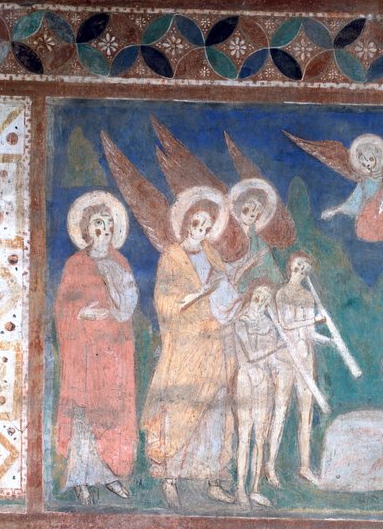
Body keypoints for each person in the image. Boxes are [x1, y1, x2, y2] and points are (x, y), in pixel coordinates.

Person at [140, 187, 242, 510]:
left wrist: (224, 295)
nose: (202, 230)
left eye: (207, 225)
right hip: (184, 343)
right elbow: (164, 301)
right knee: (181, 406)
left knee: (215, 408)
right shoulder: (172, 256)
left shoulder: (211, 254)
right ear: (185, 223)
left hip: (213, 340)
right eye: (197, 223)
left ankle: (213, 478)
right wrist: (195, 297)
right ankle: (171, 477)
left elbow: (225, 290)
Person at [55, 193, 139, 506]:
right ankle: (80, 479)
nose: (102, 229)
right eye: (96, 224)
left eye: (106, 223)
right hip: (83, 354)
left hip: (113, 353)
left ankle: (109, 475)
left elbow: (127, 306)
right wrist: (81, 314)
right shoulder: (75, 265)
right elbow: (62, 307)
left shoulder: (120, 262)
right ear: (87, 230)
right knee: (82, 415)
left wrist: (113, 313)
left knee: (111, 414)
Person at [269, 254, 329, 486]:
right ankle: (270, 465)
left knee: (306, 413)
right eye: (298, 268)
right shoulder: (281, 294)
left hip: (305, 356)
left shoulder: (307, 296)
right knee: (281, 409)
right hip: (286, 357)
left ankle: (304, 466)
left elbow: (309, 333)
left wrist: (329, 340)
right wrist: (314, 321)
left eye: (304, 270)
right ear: (290, 268)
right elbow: (286, 324)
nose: (301, 273)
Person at [233, 284, 281, 507]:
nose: (260, 300)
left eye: (264, 298)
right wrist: (277, 347)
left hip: (264, 382)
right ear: (252, 296)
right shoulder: (241, 321)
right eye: (257, 296)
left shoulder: (269, 325)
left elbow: (271, 361)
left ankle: (254, 488)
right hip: (246, 379)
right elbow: (251, 354)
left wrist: (275, 367)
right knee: (244, 436)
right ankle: (240, 488)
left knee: (260, 439)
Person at [321, 134, 383, 243]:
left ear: (378, 157)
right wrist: (335, 211)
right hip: (367, 227)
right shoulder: (364, 183)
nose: (368, 164)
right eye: (364, 162)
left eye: (370, 159)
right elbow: (353, 202)